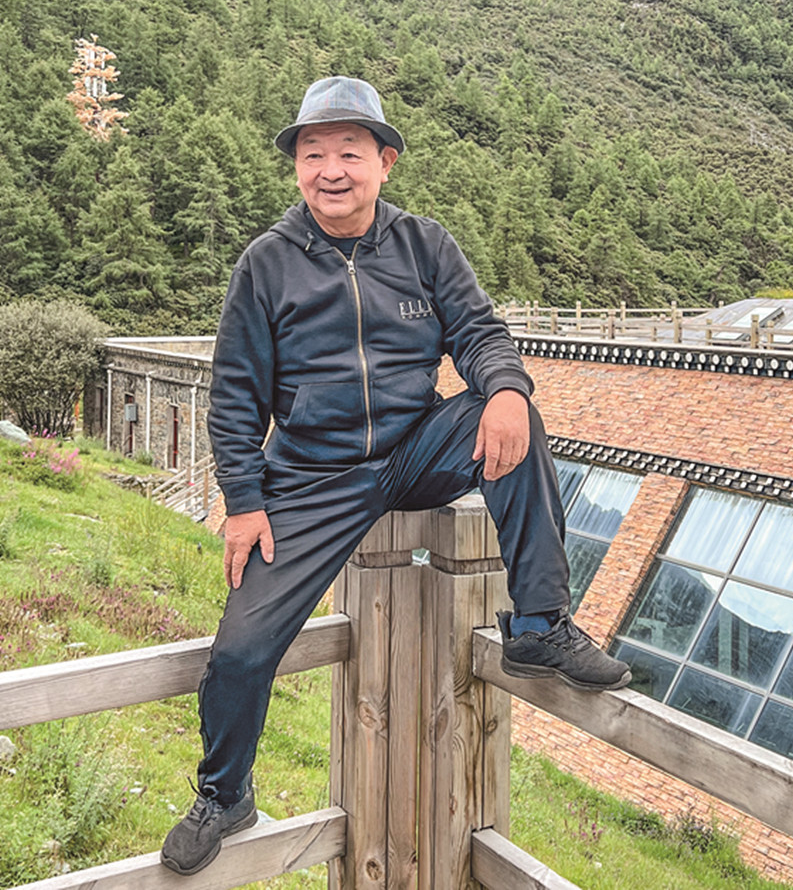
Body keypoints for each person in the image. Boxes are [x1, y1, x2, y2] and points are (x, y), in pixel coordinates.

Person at [160, 76, 631, 876]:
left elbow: (479, 330)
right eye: (313, 153)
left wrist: (506, 387)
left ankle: (538, 624)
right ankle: (224, 792)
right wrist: (244, 501)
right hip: (310, 481)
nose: (330, 170)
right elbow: (234, 394)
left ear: (385, 162)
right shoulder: (266, 264)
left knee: (512, 419)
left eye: (350, 152)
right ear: (297, 166)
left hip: (415, 448)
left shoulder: (424, 245)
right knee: (241, 650)